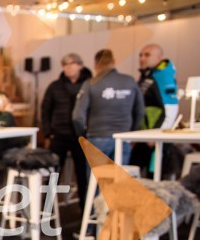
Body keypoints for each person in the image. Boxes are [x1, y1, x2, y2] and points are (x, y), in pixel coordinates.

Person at [72, 49, 144, 164]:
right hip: (124, 137)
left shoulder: (90, 84)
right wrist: (132, 133)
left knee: (95, 180)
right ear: (114, 61)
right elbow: (140, 111)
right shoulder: (129, 81)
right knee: (118, 179)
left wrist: (83, 135)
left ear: (96, 65)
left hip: (97, 136)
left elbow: (77, 117)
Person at [41, 53, 92, 211]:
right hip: (59, 135)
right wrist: (48, 133)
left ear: (80, 66)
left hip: (81, 136)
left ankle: (85, 210)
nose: (68, 67)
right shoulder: (55, 86)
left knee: (83, 175)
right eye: (65, 64)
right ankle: (47, 209)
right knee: (53, 173)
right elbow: (45, 109)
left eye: (72, 64)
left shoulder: (90, 84)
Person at [130, 43, 180, 176]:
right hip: (144, 135)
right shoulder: (148, 75)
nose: (142, 58)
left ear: (159, 57)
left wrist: (158, 135)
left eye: (147, 55)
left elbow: (171, 107)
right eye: (141, 55)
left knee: (155, 177)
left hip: (155, 138)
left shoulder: (163, 76)